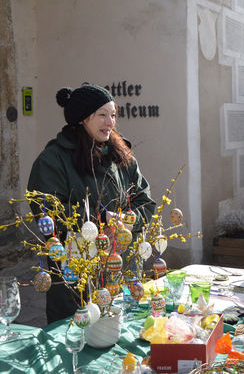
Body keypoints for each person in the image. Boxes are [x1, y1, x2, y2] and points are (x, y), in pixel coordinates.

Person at [28, 84, 156, 324]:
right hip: (75, 273)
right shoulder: (54, 159)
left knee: (121, 334)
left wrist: (129, 222)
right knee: (75, 336)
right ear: (81, 118)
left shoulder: (120, 156)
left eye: (113, 115)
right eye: (102, 115)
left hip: (119, 267)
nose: (111, 122)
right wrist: (98, 222)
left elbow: (144, 200)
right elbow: (45, 209)